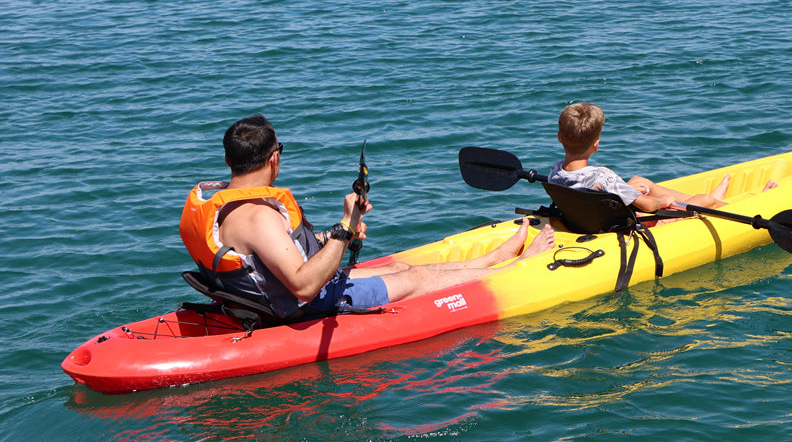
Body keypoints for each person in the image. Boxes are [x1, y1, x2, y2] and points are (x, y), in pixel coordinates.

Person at [180, 114, 555, 320]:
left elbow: (270, 260)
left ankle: (492, 259)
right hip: (304, 305)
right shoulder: (258, 216)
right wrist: (345, 227)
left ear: (230, 160)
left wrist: (332, 236)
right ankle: (521, 266)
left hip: (277, 295)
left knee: (397, 271)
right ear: (275, 157)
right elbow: (304, 287)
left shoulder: (225, 206)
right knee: (416, 277)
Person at [548, 102, 734, 214]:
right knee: (706, 200)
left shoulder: (555, 172)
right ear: (596, 144)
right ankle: (727, 204)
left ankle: (704, 198)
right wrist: (663, 201)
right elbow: (647, 206)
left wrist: (626, 190)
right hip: (638, 223)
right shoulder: (604, 177)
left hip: (594, 214)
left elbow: (588, 187)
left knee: (639, 181)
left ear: (559, 138)